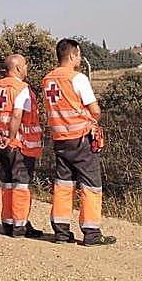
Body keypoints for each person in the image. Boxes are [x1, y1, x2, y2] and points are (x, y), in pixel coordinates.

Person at [41, 39, 116, 246]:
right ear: (73, 55)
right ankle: (92, 234)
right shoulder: (78, 78)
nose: (80, 59)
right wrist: (93, 119)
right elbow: (95, 110)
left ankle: (61, 233)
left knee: (63, 185)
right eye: (79, 55)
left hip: (59, 139)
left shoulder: (47, 80)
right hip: (81, 139)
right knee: (91, 185)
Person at [0, 53, 45, 238]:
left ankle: (8, 223)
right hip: (19, 144)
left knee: (8, 183)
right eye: (25, 65)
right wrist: (10, 137)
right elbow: (17, 115)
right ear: (18, 68)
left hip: (0, 142)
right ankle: (20, 226)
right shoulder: (21, 88)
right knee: (21, 184)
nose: (27, 68)